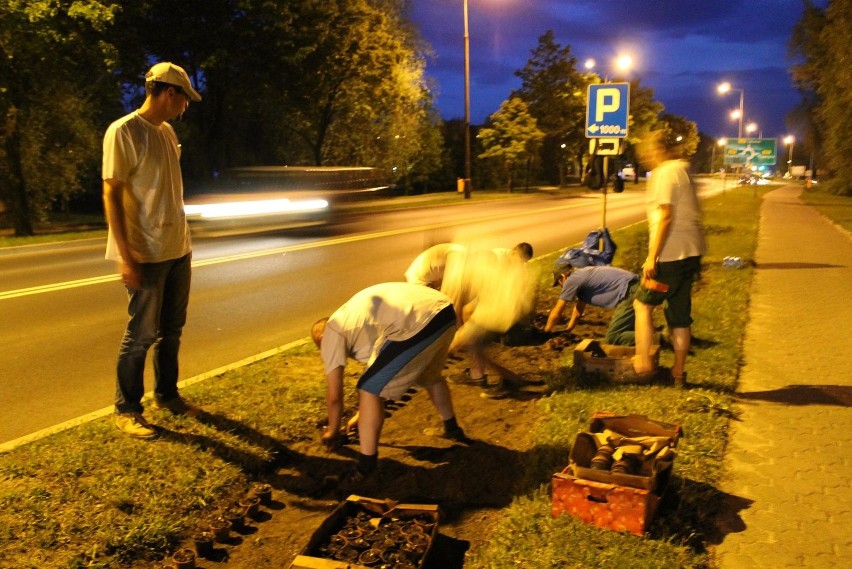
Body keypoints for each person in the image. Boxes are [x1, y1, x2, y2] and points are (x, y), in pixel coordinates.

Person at [102, 62, 203, 439]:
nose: (186, 107)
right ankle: (126, 409)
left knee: (172, 330)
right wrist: (126, 257)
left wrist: (184, 242)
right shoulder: (124, 132)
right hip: (145, 252)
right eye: (185, 99)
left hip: (178, 247)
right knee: (141, 334)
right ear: (169, 93)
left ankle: (168, 395)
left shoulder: (167, 132)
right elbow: (111, 192)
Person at [311, 282, 466, 482]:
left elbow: (334, 397)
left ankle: (367, 465)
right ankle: (453, 429)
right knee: (430, 376)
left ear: (321, 339)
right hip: (444, 311)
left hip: (419, 319)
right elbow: (383, 373)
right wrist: (362, 414)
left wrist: (333, 431)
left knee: (367, 389)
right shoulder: (358, 324)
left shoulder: (333, 331)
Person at [632, 128, 706, 386]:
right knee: (679, 316)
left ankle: (642, 365)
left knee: (642, 305)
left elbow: (666, 215)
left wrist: (652, 257)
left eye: (649, 152)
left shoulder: (665, 173)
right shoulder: (684, 169)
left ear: (658, 149)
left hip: (670, 257)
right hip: (691, 254)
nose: (648, 157)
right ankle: (678, 374)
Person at [546, 264, 639, 346]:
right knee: (633, 329)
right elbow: (578, 311)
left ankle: (651, 339)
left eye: (559, 283)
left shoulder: (572, 280)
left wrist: (546, 332)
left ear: (563, 276)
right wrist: (568, 329)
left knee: (613, 336)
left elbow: (557, 311)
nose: (561, 287)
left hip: (629, 293)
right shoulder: (582, 275)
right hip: (635, 287)